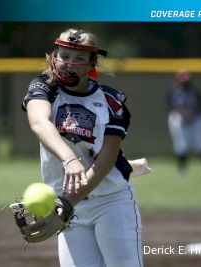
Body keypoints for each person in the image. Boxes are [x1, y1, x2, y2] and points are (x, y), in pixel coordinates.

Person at [22, 28, 143, 267]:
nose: (70, 64)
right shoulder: (44, 87)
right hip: (68, 208)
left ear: (92, 63)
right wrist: (69, 159)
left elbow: (106, 160)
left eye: (79, 58)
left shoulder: (112, 102)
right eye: (65, 55)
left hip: (110, 201)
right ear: (54, 56)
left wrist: (68, 201)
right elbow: (38, 122)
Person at [166, 69, 201, 180]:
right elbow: (169, 107)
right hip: (179, 119)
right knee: (181, 146)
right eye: (182, 81)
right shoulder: (173, 91)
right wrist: (182, 113)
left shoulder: (196, 91)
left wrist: (191, 115)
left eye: (186, 81)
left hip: (196, 119)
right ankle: (182, 171)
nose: (184, 83)